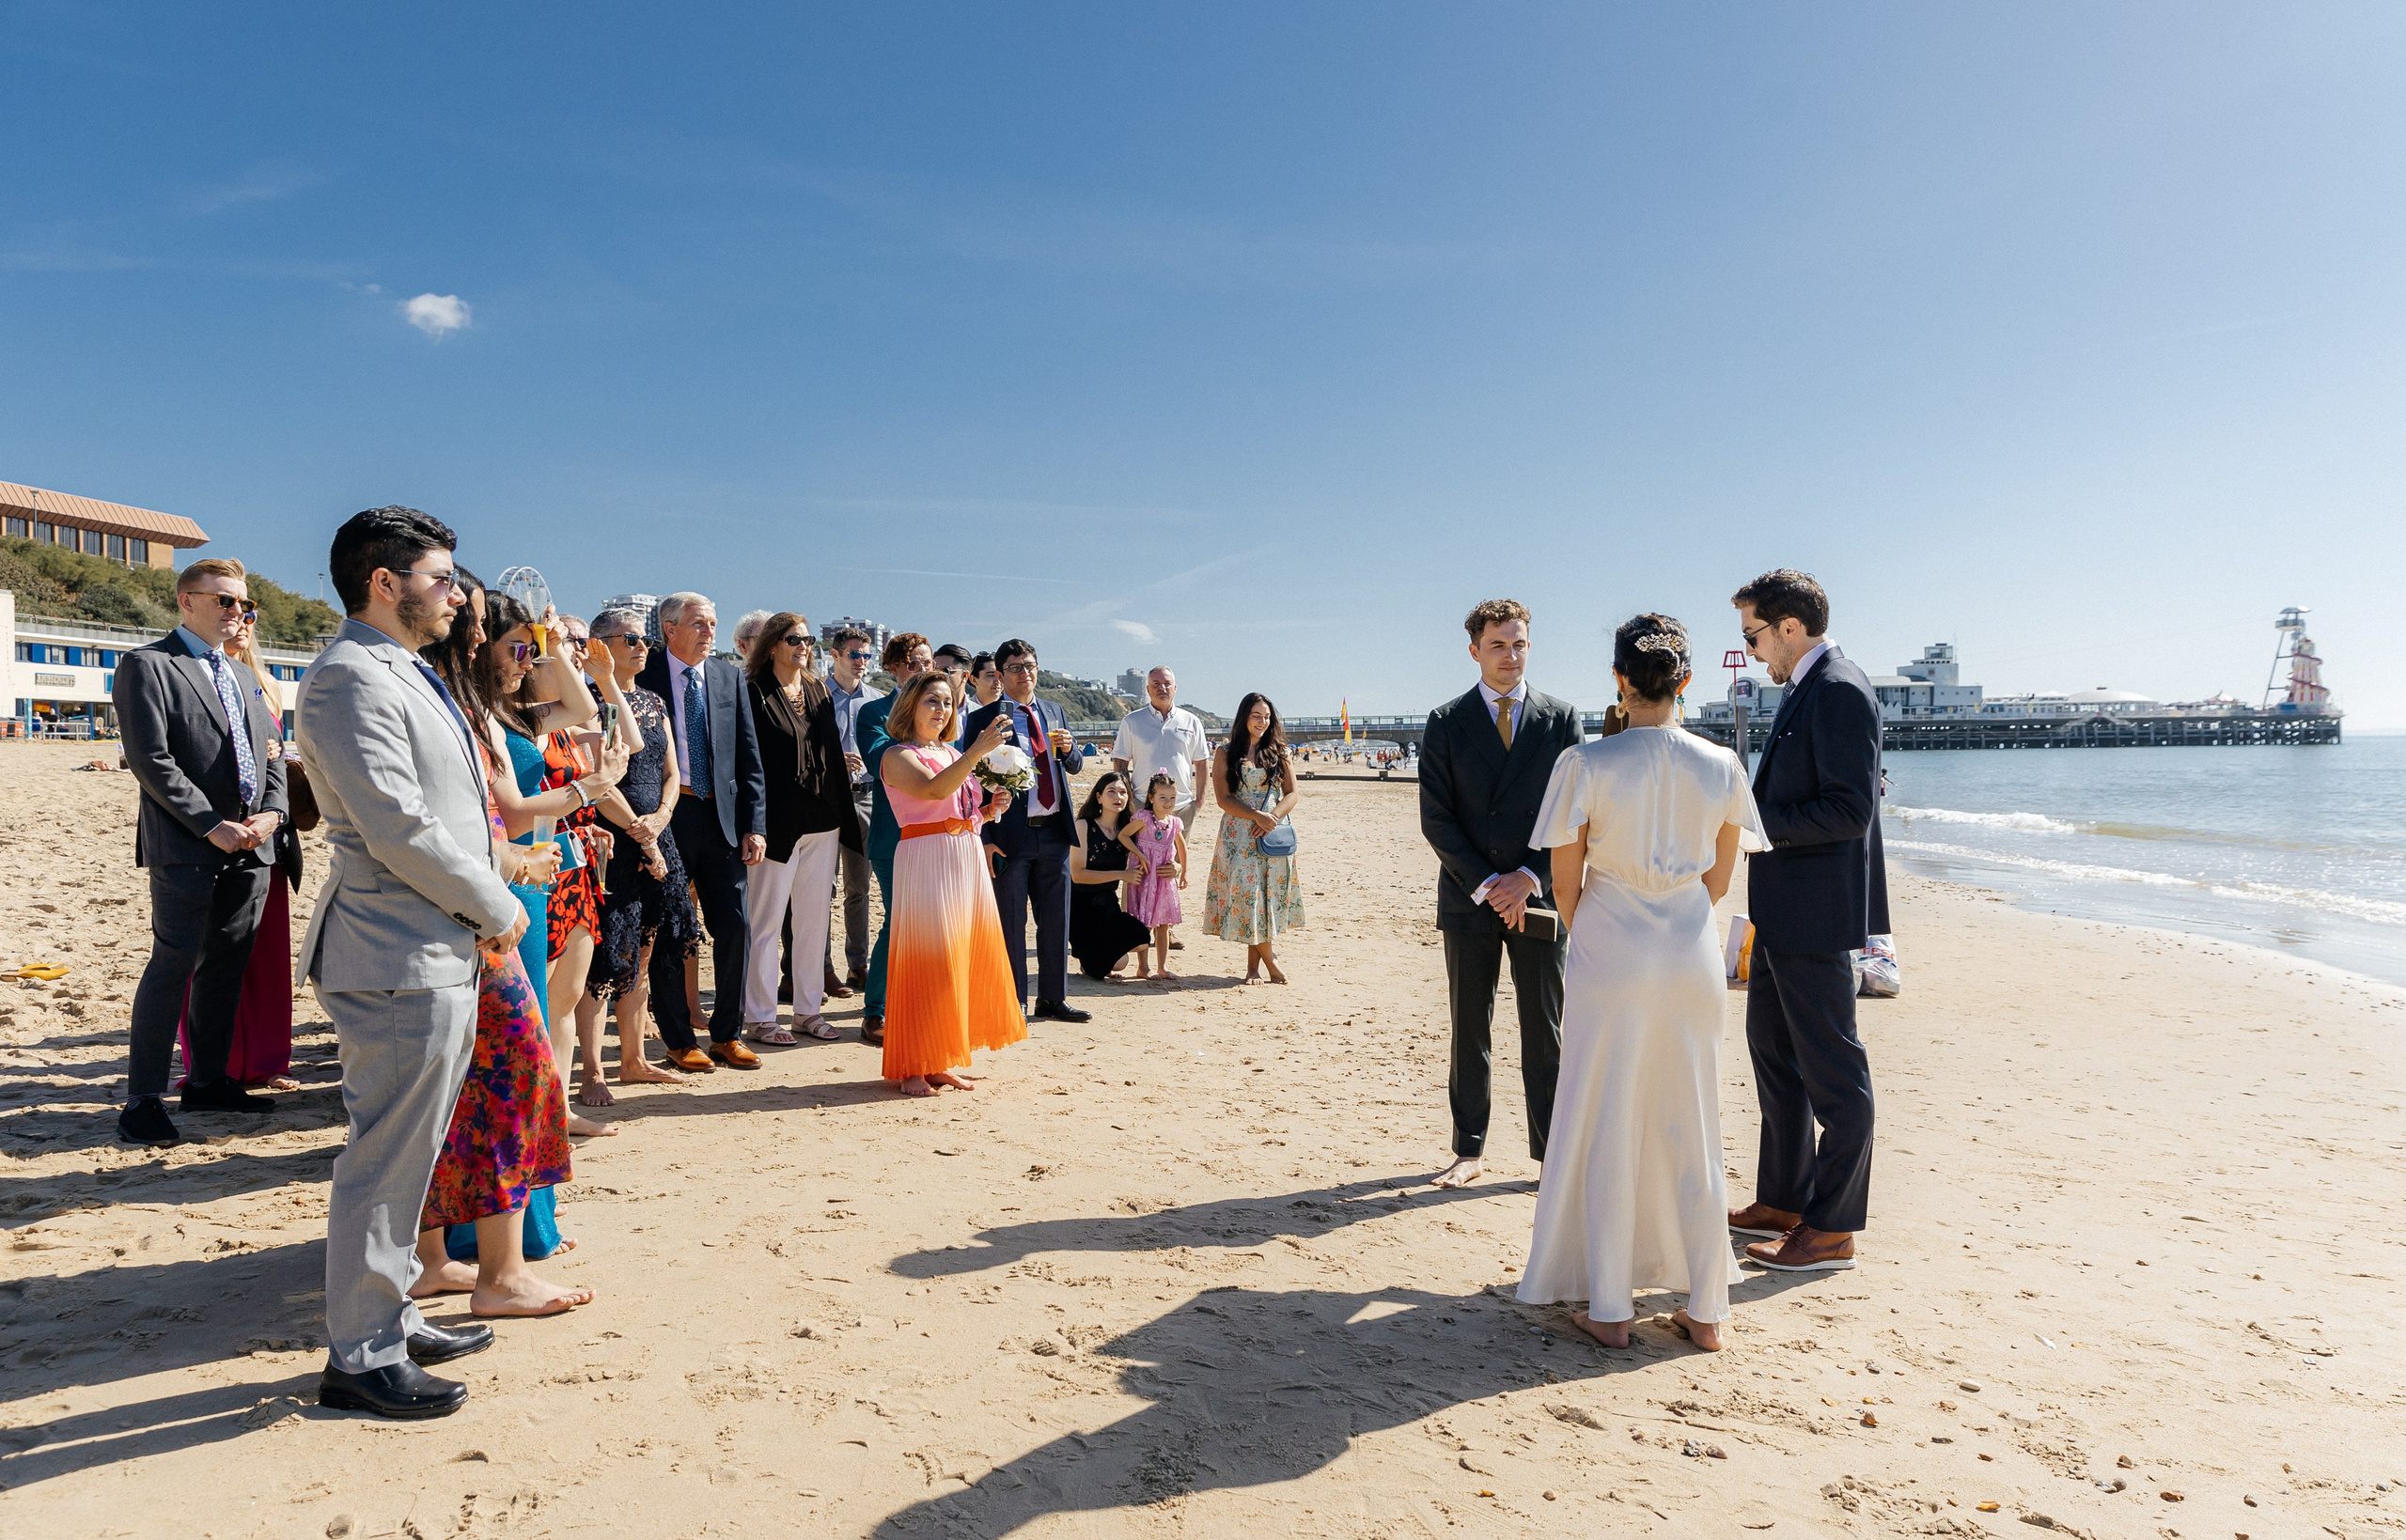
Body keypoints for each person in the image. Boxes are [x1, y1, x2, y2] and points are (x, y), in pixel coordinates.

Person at [297, 506, 523, 1419]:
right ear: (382, 584)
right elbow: (400, 827)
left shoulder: (402, 669)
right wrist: (498, 904)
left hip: (429, 944)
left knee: (414, 1148)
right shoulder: (348, 678)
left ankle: (388, 1314)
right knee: (385, 1157)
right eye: (439, 579)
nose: (456, 596)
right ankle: (360, 1352)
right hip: (394, 947)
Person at [1519, 614, 1763, 1352]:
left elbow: (1565, 886)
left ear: (1620, 681)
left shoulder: (1586, 763)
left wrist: (1607, 927)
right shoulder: (1722, 765)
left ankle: (1612, 1307)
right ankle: (1709, 1310)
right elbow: (1719, 878)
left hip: (1609, 951)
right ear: (1686, 682)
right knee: (1693, 1117)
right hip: (1689, 954)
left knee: (1606, 1112)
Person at [405, 573, 593, 1311]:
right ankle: (497, 1270)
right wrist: (517, 857)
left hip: (484, 897)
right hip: (474, 908)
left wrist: (549, 645)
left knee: (465, 1084)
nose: (492, 641)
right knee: (509, 1076)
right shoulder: (452, 703)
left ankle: (454, 1259)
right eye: (482, 626)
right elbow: (485, 818)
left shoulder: (470, 704)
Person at [1726, 569, 1887, 1273]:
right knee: (1774, 1055)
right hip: (1784, 910)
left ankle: (1833, 1226)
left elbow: (1850, 810)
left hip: (1817, 915)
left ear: (1790, 626)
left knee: (1834, 1071)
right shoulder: (1808, 686)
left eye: (1755, 635)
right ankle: (1785, 1197)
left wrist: (1758, 825)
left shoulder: (1841, 688)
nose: (1755, 650)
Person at [113, 556, 291, 1146]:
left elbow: (270, 753)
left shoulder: (242, 676)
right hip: (188, 846)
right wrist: (211, 824)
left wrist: (273, 811)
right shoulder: (149, 665)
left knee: (227, 968)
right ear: (187, 601)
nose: (237, 613)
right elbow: (151, 761)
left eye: (244, 604)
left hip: (252, 845)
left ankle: (207, 1082)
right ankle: (142, 1100)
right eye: (225, 601)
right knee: (174, 964)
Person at [1418, 599, 1586, 1190]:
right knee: (1471, 1024)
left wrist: (1529, 877)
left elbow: (1574, 814)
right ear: (1475, 650)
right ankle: (1468, 1148)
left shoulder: (1561, 719)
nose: (1510, 656)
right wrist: (1491, 884)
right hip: (1470, 896)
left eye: (1519, 644)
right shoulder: (1444, 721)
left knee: (1546, 1025)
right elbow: (1436, 819)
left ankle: (1552, 1153)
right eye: (1498, 645)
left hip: (1539, 896)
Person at [173, 601, 306, 1094]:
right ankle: (216, 1064)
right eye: (234, 615)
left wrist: (278, 769)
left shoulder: (264, 684)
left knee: (265, 951)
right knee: (212, 953)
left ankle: (269, 1059)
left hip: (266, 833)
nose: (244, 625)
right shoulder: (185, 675)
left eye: (252, 618)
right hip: (210, 831)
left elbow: (281, 751)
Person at [876, 672, 1023, 1096]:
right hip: (925, 858)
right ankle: (912, 1066)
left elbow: (958, 808)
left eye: (946, 703)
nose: (941, 711)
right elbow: (931, 791)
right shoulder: (897, 755)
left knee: (957, 957)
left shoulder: (949, 751)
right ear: (910, 707)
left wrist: (991, 810)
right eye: (932, 702)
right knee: (927, 958)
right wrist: (977, 751)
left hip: (965, 854)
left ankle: (940, 1057)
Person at [637, 591, 767, 1071]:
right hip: (669, 814)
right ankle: (677, 1038)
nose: (709, 632)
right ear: (669, 628)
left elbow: (749, 758)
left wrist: (755, 824)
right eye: (698, 623)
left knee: (736, 926)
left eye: (713, 623)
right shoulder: (643, 673)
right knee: (673, 928)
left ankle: (726, 1034)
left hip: (723, 819)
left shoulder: (728, 676)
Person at [581, 609, 696, 1093]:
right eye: (628, 637)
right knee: (604, 958)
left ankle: (634, 1058)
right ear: (598, 646)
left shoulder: (651, 701)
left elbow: (672, 772)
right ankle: (592, 1071)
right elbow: (598, 780)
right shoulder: (585, 701)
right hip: (615, 837)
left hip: (656, 830)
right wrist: (639, 831)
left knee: (646, 951)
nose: (641, 644)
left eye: (643, 636)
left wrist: (663, 819)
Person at [742, 611, 859, 1043]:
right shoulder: (752, 691)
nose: (802, 646)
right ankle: (760, 1017)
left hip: (823, 818)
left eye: (807, 639)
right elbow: (748, 761)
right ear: (772, 644)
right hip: (775, 822)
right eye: (793, 639)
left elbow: (826, 745)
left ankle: (808, 1011)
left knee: (813, 921)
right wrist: (750, 823)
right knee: (766, 920)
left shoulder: (816, 689)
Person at [961, 638, 1091, 1022]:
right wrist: (983, 837)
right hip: (1008, 835)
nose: (1026, 673)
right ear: (1000, 675)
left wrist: (1069, 751)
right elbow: (968, 784)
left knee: (1056, 921)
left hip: (1053, 830)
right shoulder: (982, 720)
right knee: (1010, 922)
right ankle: (1012, 999)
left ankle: (1053, 998)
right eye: (1016, 667)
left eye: (1031, 665)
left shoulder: (1054, 711)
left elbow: (1076, 767)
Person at [854, 630, 935, 1043]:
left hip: (940, 836)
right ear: (893, 668)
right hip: (894, 835)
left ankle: (921, 1004)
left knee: (934, 924)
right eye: (913, 663)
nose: (922, 669)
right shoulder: (873, 712)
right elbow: (884, 762)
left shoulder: (943, 712)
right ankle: (875, 1011)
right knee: (900, 920)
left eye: (927, 662)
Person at [1202, 692, 1304, 985]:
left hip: (1273, 833)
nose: (1262, 721)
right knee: (1248, 897)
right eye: (1256, 715)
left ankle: (1253, 968)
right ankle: (1271, 962)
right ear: (1244, 717)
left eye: (1267, 717)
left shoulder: (1280, 752)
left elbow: (1293, 793)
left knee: (1266, 898)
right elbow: (1223, 799)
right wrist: (1255, 816)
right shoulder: (1225, 753)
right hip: (1239, 834)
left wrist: (1271, 818)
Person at [826, 627, 883, 999]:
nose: (861, 662)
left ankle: (858, 964)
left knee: (859, 888)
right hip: (827, 799)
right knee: (820, 889)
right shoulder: (814, 696)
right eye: (854, 655)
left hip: (867, 797)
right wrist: (833, 760)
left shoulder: (877, 700)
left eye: (866, 655)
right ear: (835, 655)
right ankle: (820, 968)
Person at [1069, 771, 1151, 981]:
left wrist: (1176, 867)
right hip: (1081, 908)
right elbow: (1077, 875)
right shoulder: (1083, 826)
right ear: (1099, 797)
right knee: (1117, 963)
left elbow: (1155, 852)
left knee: (1142, 938)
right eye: (1111, 792)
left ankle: (1096, 958)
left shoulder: (1128, 832)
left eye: (1123, 792)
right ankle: (1088, 958)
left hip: (1108, 906)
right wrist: (1122, 875)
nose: (1118, 797)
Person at [1110, 667, 1213, 834]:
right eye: (1156, 684)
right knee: (1142, 859)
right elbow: (1120, 763)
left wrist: (1198, 803)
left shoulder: (1191, 721)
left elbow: (1202, 764)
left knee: (1177, 860)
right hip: (1142, 805)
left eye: (1167, 684)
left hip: (1181, 807)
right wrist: (1131, 802)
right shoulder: (1132, 721)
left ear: (1175, 688)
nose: (1162, 688)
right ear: (1148, 689)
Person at [1118, 771, 1188, 981]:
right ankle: (1143, 967)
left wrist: (1184, 870)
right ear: (1151, 798)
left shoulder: (1174, 822)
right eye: (1163, 798)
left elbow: (1182, 847)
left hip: (1164, 880)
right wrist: (1138, 854)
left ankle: (1163, 966)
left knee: (1164, 923)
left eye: (1172, 798)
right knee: (1144, 922)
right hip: (1145, 878)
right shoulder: (1144, 818)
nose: (1168, 803)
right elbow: (1124, 835)